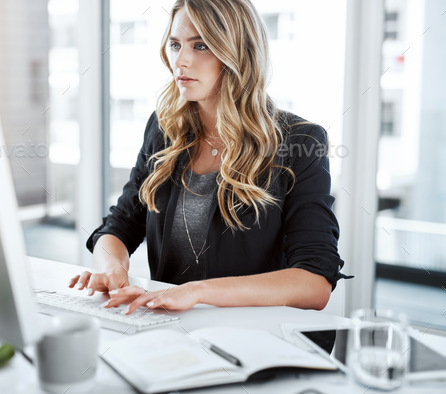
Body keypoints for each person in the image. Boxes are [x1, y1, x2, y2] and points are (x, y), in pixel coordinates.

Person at [69, 0, 349, 314]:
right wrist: (112, 269)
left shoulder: (300, 141)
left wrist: (199, 292)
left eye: (200, 45)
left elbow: (314, 282)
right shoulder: (165, 128)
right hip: (170, 326)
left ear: (237, 54)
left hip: (254, 335)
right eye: (175, 45)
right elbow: (119, 226)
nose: (181, 61)